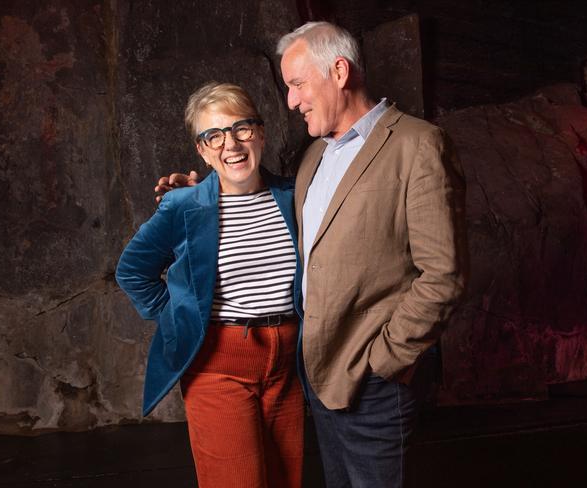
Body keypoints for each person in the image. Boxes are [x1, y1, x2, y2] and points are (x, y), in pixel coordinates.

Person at [156, 21, 467, 488]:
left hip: (373, 381)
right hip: (316, 382)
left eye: (297, 84)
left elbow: (443, 275)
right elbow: (261, 201)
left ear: (339, 71)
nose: (291, 101)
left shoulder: (417, 145)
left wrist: (385, 360)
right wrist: (203, 190)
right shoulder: (313, 157)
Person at [116, 82, 304, 488]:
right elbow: (133, 272)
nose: (230, 144)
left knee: (286, 480)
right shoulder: (183, 205)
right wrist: (182, 316)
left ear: (262, 132)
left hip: (287, 370)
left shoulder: (295, 196)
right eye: (213, 135)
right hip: (220, 369)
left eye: (242, 128)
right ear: (201, 150)